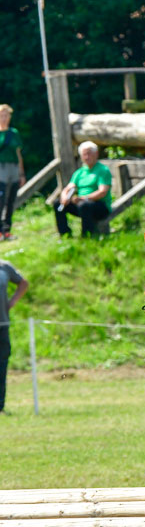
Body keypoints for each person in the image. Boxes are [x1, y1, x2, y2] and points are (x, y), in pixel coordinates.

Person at [53, 141, 112, 237]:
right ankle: (64, 233)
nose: (87, 157)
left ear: (96, 154)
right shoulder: (79, 172)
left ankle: (87, 235)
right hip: (82, 204)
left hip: (100, 206)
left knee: (84, 205)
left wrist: (84, 198)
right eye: (84, 154)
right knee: (57, 203)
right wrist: (65, 198)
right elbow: (68, 188)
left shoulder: (102, 170)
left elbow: (102, 192)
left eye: (89, 154)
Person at [0, 259, 28, 414]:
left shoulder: (4, 266)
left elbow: (23, 283)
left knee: (1, 365)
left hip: (2, 325)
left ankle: (0, 406)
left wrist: (12, 302)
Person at [0, 104, 26, 241]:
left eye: (6, 115)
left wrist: (21, 174)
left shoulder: (13, 133)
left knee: (10, 200)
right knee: (0, 200)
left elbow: (18, 154)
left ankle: (7, 231)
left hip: (13, 168)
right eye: (1, 115)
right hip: (0, 168)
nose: (4, 118)